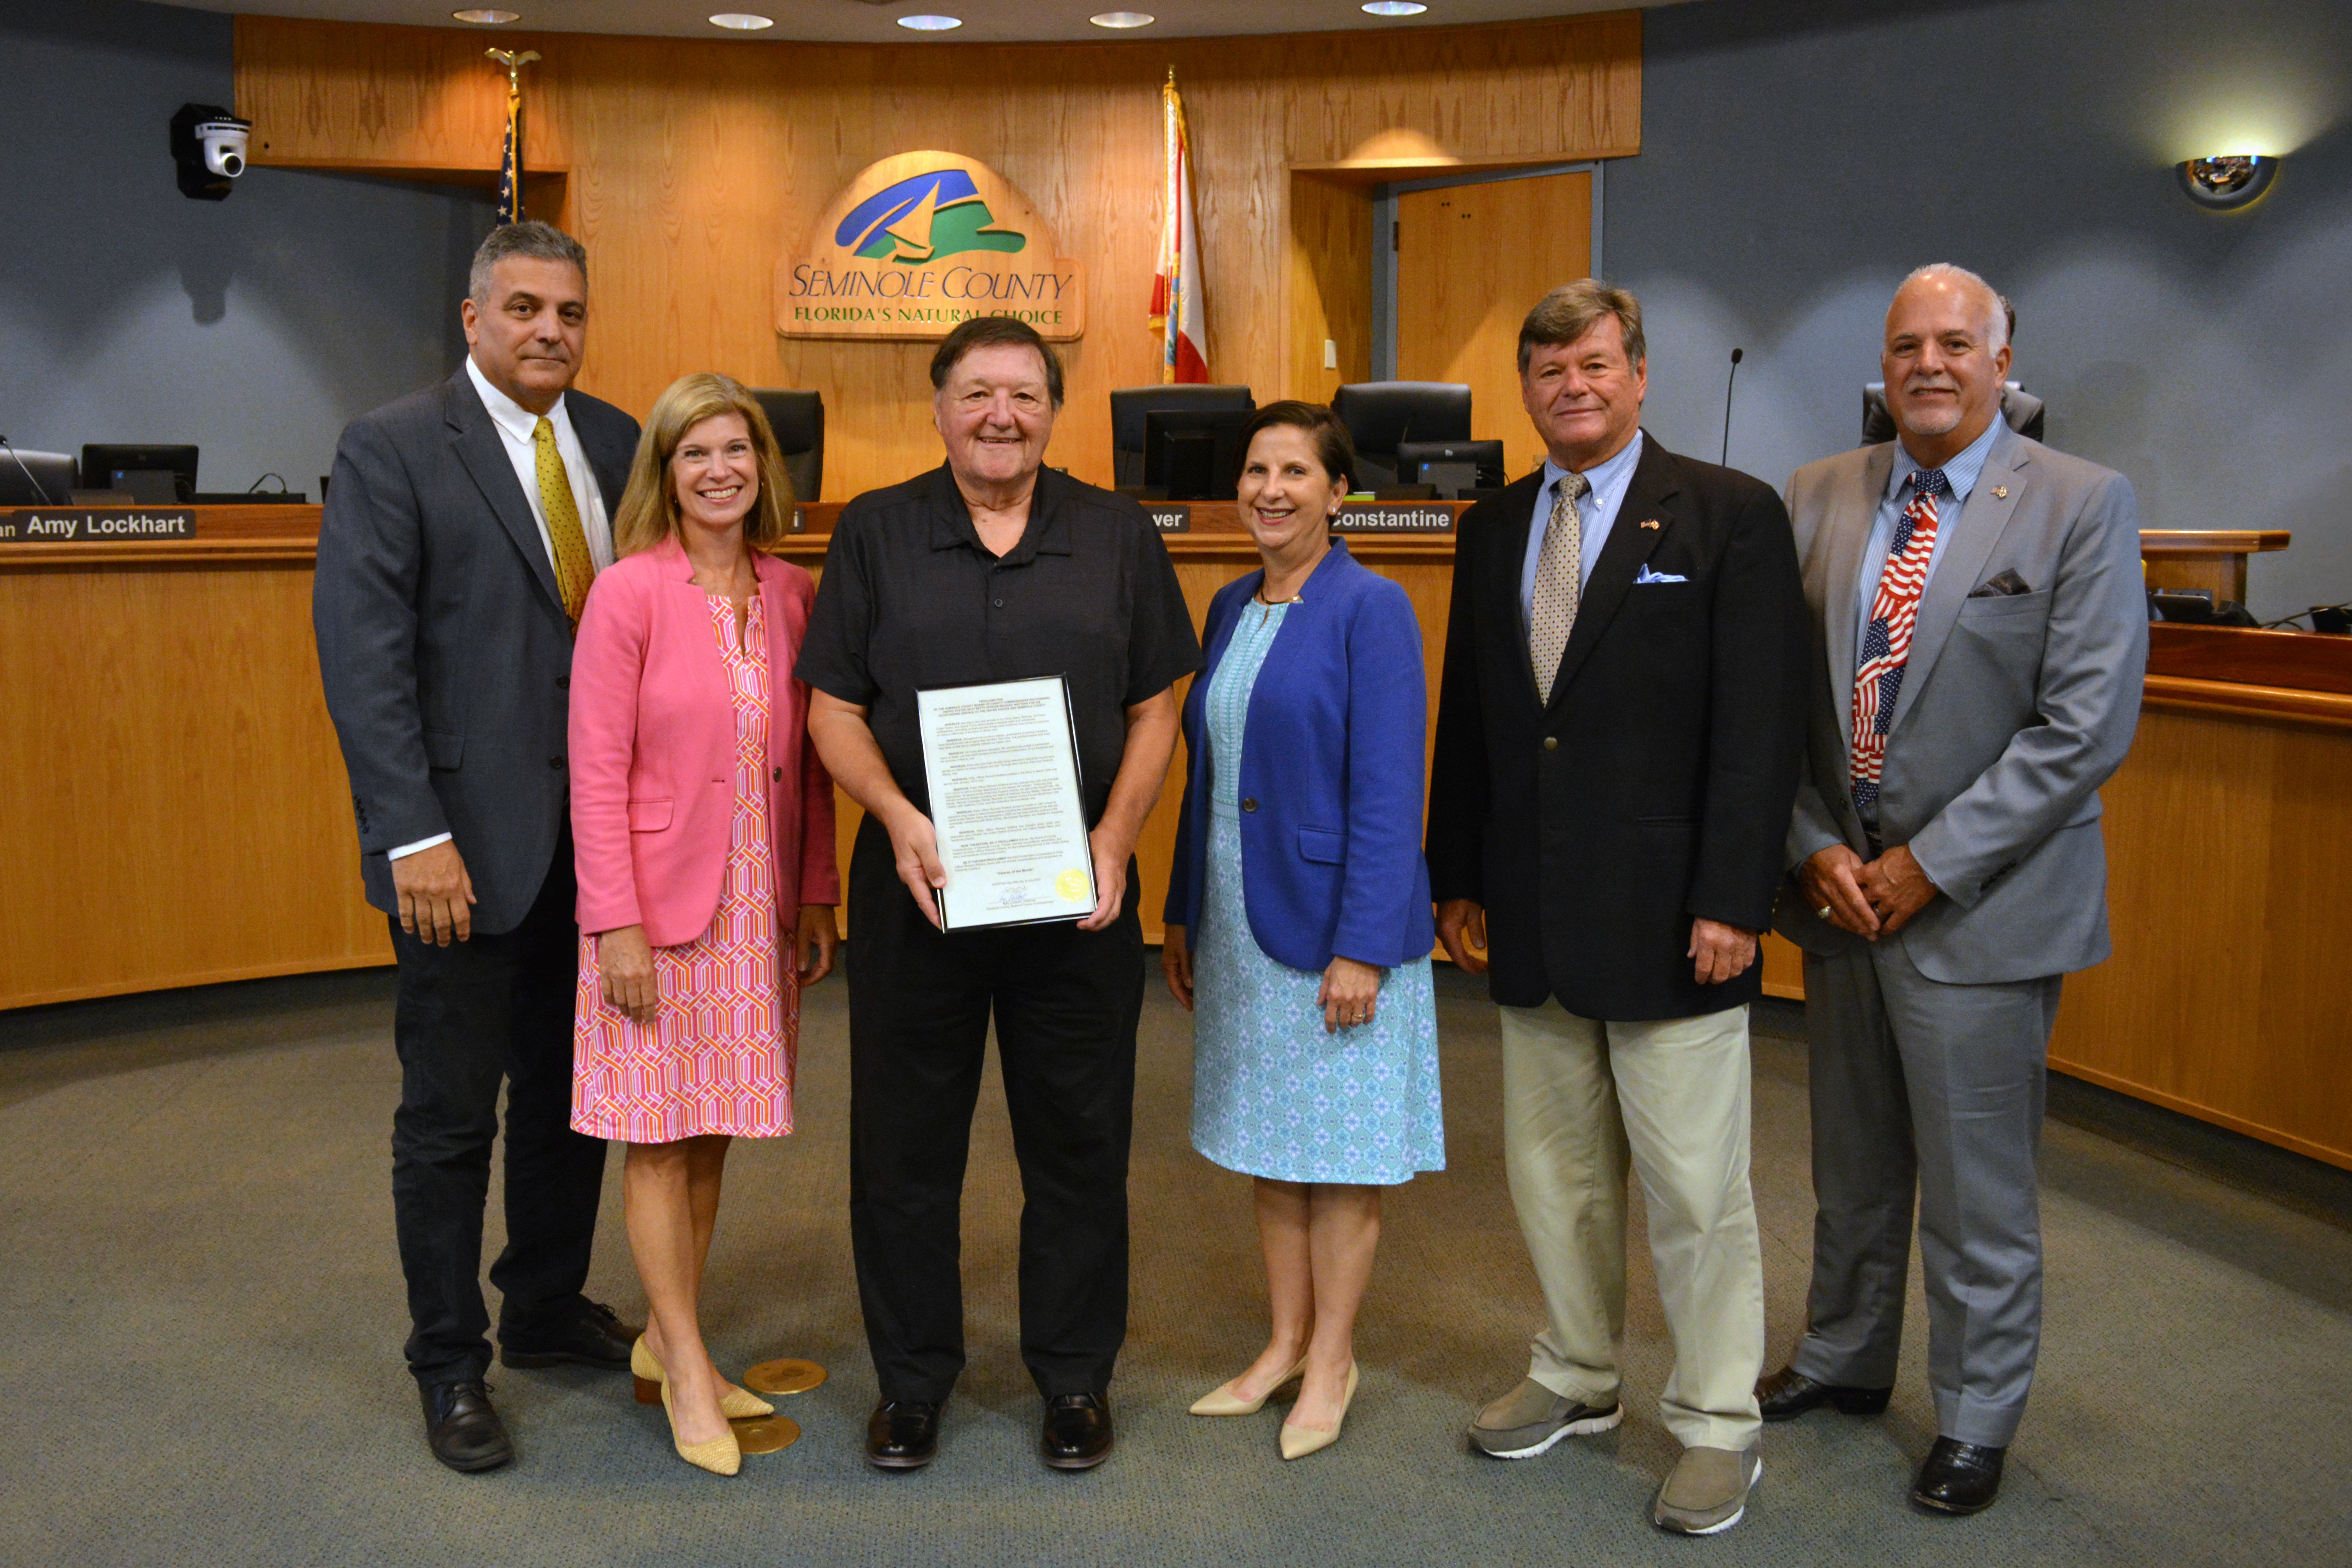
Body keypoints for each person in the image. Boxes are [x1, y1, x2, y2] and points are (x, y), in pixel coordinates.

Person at [1761, 263, 2147, 1517]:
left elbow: (2084, 726)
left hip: (1979, 907)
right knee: (1855, 1166)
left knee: (1980, 1194)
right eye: (1907, 344)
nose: (1929, 364)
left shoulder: (2081, 505)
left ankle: (1977, 1417)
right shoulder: (1815, 494)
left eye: (1955, 345)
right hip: (1840, 901)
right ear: (1884, 362)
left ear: (2001, 359)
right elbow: (1774, 707)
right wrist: (1817, 844)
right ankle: (1844, 1355)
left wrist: (1928, 862)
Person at [1425, 280, 1808, 1535]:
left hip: (1676, 920)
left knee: (1698, 1192)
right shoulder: (1492, 529)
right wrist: (1458, 877)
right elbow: (1478, 719)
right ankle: (1578, 1375)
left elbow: (1760, 730)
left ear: (1639, 374)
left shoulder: (1728, 516)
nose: (1572, 388)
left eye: (1594, 365)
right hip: (1533, 911)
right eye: (1548, 371)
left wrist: (1735, 898)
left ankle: (1715, 1424)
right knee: (1555, 1177)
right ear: (1526, 390)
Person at [796, 316, 1202, 1473]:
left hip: (1076, 901)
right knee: (904, 1152)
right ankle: (913, 1383)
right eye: (978, 393)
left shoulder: (1117, 534)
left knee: (1079, 1147)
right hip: (918, 897)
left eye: (1024, 394)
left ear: (1052, 410)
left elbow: (1154, 706)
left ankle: (1074, 1381)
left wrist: (1119, 837)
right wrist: (898, 815)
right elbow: (830, 707)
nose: (1001, 415)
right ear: (939, 406)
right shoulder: (876, 532)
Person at [313, 221, 642, 1472]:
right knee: (450, 1120)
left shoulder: (615, 444)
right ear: (472, 319)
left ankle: (546, 1307)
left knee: (570, 1106)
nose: (548, 330)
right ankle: (449, 1363)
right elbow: (367, 663)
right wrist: (413, 836)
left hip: (593, 856)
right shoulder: (393, 448)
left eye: (568, 311)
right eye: (522, 309)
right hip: (458, 854)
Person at [566, 372, 841, 1476]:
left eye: (737, 450)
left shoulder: (790, 592)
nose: (720, 470)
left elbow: (812, 765)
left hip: (755, 909)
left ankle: (667, 1336)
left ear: (764, 466)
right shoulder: (629, 593)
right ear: (665, 474)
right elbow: (593, 773)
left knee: (713, 1129)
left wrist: (818, 890)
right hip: (654, 912)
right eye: (695, 454)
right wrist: (614, 927)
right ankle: (681, 1360)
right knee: (657, 1138)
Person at [1161, 402, 1444, 1462]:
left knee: (1341, 1157)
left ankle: (1333, 1358)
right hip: (1240, 917)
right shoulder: (1232, 604)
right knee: (1271, 1150)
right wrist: (1183, 912)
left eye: (1295, 472)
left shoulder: (1373, 608)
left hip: (1335, 930)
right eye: (1255, 471)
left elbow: (1387, 788)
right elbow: (1210, 781)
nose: (1270, 490)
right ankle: (1281, 1344)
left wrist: (1364, 945)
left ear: (1338, 492)